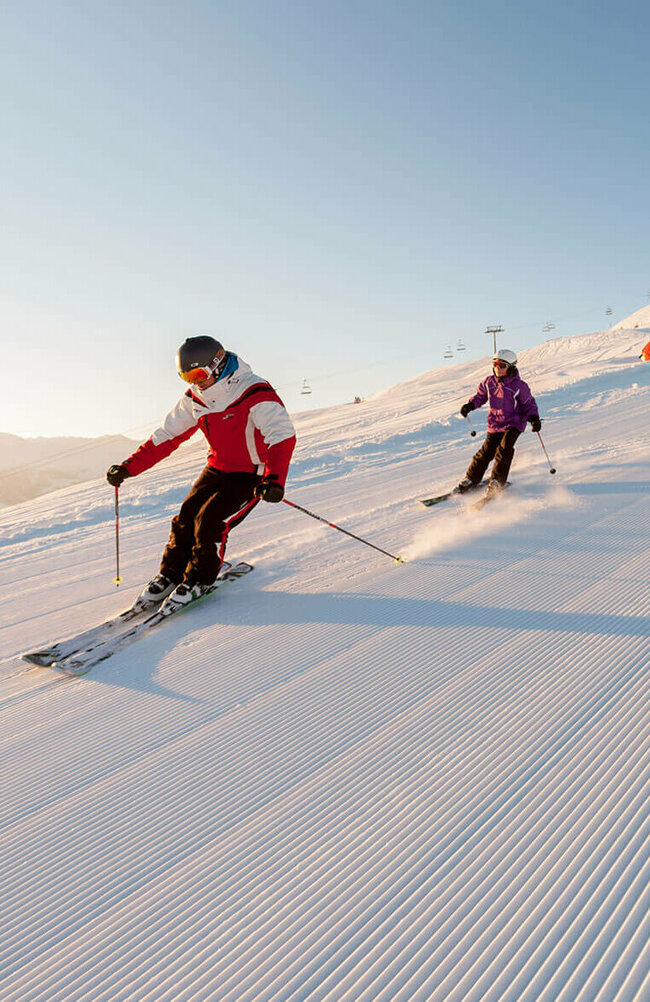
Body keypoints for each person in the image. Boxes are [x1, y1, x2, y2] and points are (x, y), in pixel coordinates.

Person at [106, 335, 296, 610]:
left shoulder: (253, 391)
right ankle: (170, 575)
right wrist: (128, 467)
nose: (194, 382)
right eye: (186, 377)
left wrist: (274, 479)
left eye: (197, 374)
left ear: (217, 365)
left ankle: (199, 580)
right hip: (217, 468)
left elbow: (281, 435)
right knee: (185, 517)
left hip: (252, 474)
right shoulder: (196, 398)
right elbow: (167, 436)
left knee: (209, 522)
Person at [454, 349, 540, 496]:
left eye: (502, 365)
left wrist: (533, 418)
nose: (498, 368)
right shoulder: (489, 382)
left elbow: (528, 404)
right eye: (495, 365)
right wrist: (470, 405)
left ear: (511, 367)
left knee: (504, 449)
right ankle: (471, 479)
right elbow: (480, 396)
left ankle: (497, 482)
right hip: (495, 423)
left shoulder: (519, 386)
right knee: (486, 452)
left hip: (514, 423)